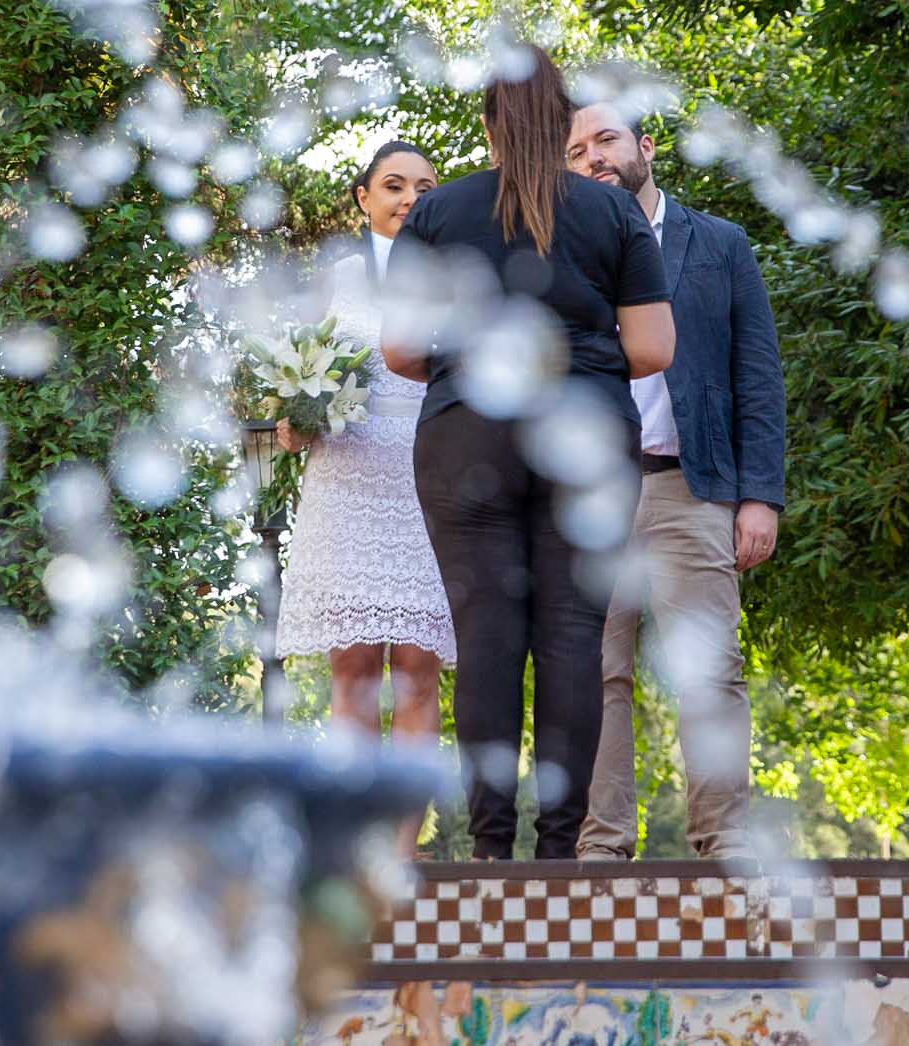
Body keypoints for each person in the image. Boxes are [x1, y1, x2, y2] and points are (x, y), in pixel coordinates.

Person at [381, 47, 675, 860]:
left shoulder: (437, 214)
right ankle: (557, 853)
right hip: (584, 434)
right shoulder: (614, 215)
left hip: (466, 430)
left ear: (488, 128)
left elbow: (399, 352)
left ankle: (486, 847)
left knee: (486, 638)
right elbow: (653, 347)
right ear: (563, 124)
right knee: (574, 637)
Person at [564, 100, 785, 862]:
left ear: (645, 147)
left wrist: (758, 495)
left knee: (712, 674)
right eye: (576, 150)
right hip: (584, 498)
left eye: (606, 140)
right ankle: (600, 847)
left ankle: (724, 841)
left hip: (689, 487)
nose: (592, 157)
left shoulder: (720, 244)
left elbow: (756, 377)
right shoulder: (556, 254)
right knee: (593, 677)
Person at [275, 142, 454, 779]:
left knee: (415, 672)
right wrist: (295, 419)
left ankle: (404, 851)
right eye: (395, 186)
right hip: (344, 488)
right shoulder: (338, 278)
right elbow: (297, 376)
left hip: (427, 488)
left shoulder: (456, 279)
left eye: (426, 189)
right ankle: (355, 851)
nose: (410, 199)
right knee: (350, 672)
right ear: (365, 197)